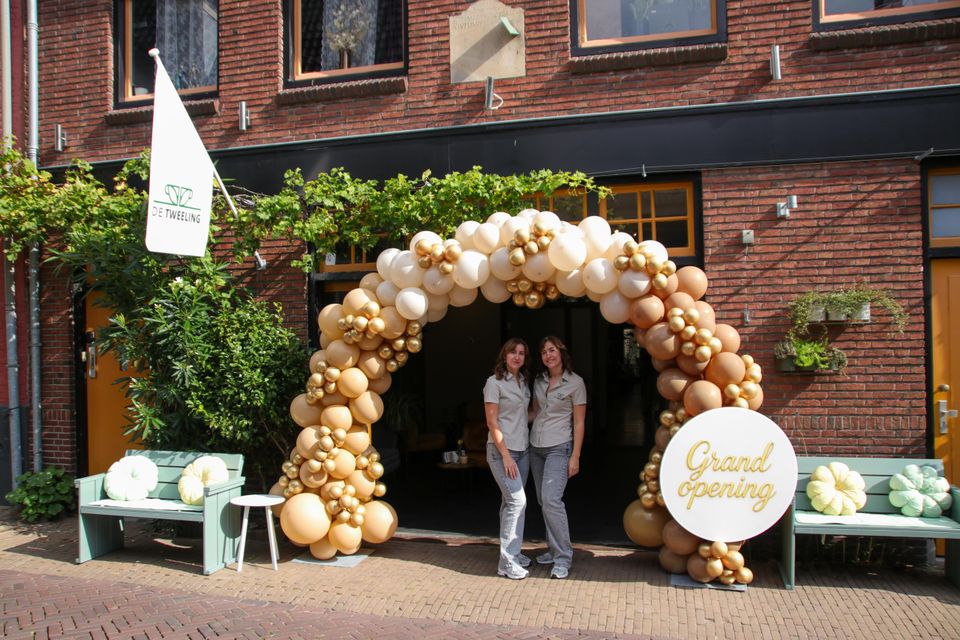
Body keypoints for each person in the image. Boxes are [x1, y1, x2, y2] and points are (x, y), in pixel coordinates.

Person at [528, 336, 587, 579]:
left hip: (559, 447)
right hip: (536, 447)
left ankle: (563, 557)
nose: (548, 356)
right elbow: (535, 412)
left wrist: (576, 456)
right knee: (544, 501)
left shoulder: (575, 383)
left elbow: (579, 422)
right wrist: (505, 419)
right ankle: (553, 550)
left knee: (552, 500)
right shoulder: (539, 380)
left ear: (561, 352)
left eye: (551, 350)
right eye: (543, 352)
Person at [483, 338, 533, 580]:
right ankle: (507, 563)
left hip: (523, 449)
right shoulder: (494, 383)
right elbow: (492, 422)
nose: (517, 356)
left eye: (521, 353)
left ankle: (513, 552)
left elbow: (524, 415)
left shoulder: (523, 381)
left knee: (510, 503)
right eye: (513, 352)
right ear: (504, 355)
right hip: (502, 451)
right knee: (517, 502)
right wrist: (506, 456)